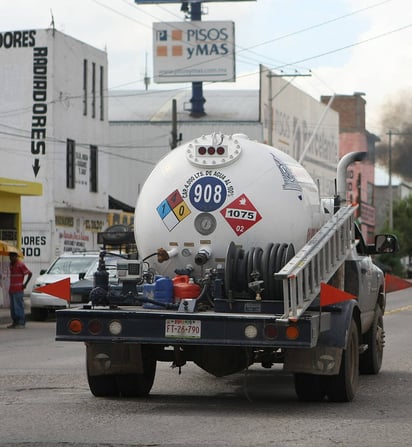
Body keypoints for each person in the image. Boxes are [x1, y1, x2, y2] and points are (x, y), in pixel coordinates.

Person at [7, 251, 32, 329]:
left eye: (12, 256)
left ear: (16, 256)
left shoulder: (20, 264)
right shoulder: (10, 265)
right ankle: (15, 322)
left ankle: (21, 322)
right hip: (11, 289)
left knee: (18, 306)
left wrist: (25, 284)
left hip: (18, 289)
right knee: (13, 307)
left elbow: (29, 273)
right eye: (10, 256)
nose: (11, 258)